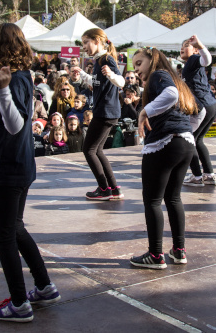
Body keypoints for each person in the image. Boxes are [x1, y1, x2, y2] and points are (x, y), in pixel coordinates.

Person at [0, 24, 60, 323]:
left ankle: (20, 303)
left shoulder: (15, 81)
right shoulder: (13, 75)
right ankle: (45, 286)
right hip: (14, 165)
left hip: (8, 168)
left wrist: (1, 90)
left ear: (0, 48)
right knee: (16, 228)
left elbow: (15, 125)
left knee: (4, 234)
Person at [129, 47, 197, 269]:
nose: (136, 70)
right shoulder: (174, 78)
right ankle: (179, 251)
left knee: (153, 201)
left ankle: (155, 255)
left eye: (139, 63)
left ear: (153, 59)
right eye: (134, 66)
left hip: (165, 143)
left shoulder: (159, 75)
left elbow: (171, 95)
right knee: (173, 198)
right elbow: (199, 110)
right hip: (185, 143)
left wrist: (144, 111)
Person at [76, 28, 125, 201]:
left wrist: (112, 74)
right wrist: (82, 75)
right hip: (105, 112)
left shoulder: (107, 59)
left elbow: (121, 81)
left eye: (86, 42)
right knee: (97, 150)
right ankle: (114, 188)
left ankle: (104, 189)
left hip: (105, 112)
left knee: (88, 150)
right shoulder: (98, 61)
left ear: (97, 41)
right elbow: (96, 83)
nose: (84, 47)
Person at [180, 35, 216, 187]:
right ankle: (208, 174)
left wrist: (200, 45)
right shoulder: (189, 64)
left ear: (195, 50)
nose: (182, 48)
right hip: (211, 105)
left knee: (188, 140)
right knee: (197, 140)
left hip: (203, 106)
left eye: (186, 45)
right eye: (181, 46)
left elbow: (207, 60)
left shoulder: (194, 59)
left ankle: (197, 176)